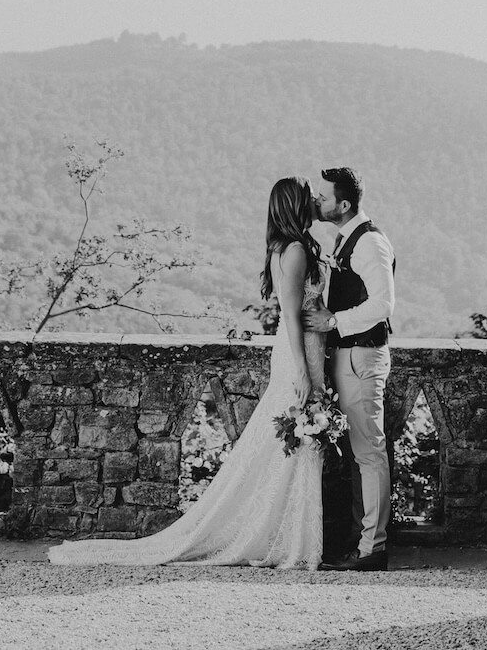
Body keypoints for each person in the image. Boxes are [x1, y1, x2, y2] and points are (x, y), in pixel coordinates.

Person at [49, 176, 326, 568]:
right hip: (299, 354)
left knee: (288, 439)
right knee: (294, 436)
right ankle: (284, 538)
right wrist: (302, 369)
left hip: (305, 352)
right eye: (308, 196)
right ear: (295, 205)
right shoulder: (296, 251)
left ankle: (283, 532)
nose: (315, 200)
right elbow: (293, 317)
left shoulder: (287, 247)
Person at [303, 166, 395, 572]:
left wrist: (333, 322)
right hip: (349, 355)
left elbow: (382, 306)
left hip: (361, 354)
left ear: (343, 204)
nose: (317, 202)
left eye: (323, 198)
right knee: (361, 455)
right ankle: (363, 541)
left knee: (369, 453)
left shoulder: (370, 243)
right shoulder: (346, 240)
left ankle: (373, 547)